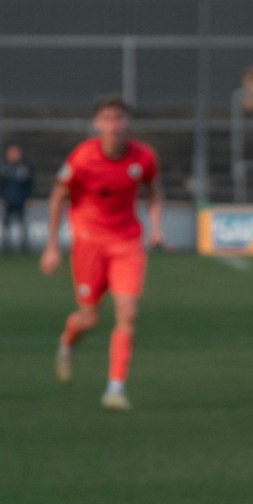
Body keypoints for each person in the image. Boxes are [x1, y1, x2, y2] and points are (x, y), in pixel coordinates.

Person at [40, 96, 163, 412]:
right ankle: (67, 342)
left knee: (128, 312)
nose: (113, 125)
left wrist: (157, 226)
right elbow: (58, 196)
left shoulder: (143, 157)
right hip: (89, 242)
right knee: (89, 318)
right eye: (107, 118)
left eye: (119, 118)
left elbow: (155, 190)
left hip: (127, 243)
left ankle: (115, 388)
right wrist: (52, 245)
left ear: (127, 124)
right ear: (97, 124)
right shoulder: (82, 158)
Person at [0, 143, 35, 253]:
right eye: (12, 153)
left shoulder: (25, 167)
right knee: (6, 222)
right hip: (7, 199)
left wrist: (29, 197)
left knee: (22, 222)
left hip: (21, 199)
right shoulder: (3, 167)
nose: (14, 155)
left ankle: (24, 245)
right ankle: (6, 245)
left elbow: (29, 184)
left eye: (16, 153)